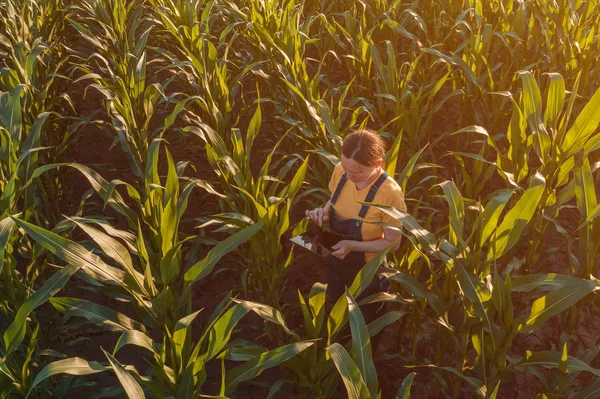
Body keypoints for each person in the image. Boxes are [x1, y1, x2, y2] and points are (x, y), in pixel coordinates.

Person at [305, 129, 407, 325]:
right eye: (345, 168)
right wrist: (323, 212)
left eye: (357, 172)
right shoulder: (341, 172)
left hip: (366, 274)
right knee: (338, 314)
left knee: (364, 325)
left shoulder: (389, 193)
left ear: (378, 164)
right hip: (335, 261)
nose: (349, 176)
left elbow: (392, 244)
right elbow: (334, 201)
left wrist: (352, 246)